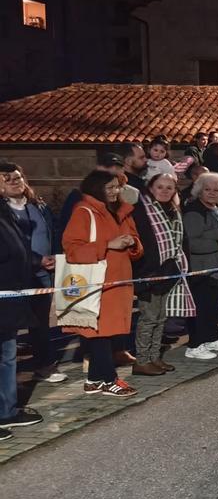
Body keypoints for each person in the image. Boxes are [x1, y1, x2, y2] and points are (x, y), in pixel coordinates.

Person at [61, 171, 143, 397]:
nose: (116, 191)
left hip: (118, 283)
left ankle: (94, 379)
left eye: (117, 187)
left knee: (106, 333)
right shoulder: (84, 211)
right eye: (110, 188)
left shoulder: (122, 211)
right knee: (100, 333)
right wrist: (108, 245)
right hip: (97, 284)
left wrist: (133, 243)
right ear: (96, 188)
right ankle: (109, 380)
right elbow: (72, 249)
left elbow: (136, 246)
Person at [1, 163, 62, 382]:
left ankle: (44, 366)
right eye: (7, 179)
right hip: (15, 277)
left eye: (17, 177)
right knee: (10, 326)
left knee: (40, 322)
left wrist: (55, 256)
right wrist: (36, 259)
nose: (14, 182)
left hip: (42, 274)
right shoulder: (3, 211)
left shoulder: (39, 205)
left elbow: (52, 232)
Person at [131, 172, 196, 374]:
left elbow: (182, 241)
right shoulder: (141, 210)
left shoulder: (173, 210)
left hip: (169, 270)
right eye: (160, 187)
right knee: (148, 318)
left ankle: (154, 358)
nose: (165, 191)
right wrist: (145, 272)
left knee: (160, 319)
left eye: (170, 187)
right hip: (149, 273)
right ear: (151, 188)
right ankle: (142, 361)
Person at [0, 177, 43, 439]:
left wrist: (36, 260)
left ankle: (6, 411)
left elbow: (17, 248)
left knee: (6, 357)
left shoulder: (4, 212)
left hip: (8, 299)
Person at [183, 173, 218, 356]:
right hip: (203, 269)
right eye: (207, 189)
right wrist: (215, 245)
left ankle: (211, 338)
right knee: (202, 307)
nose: (212, 193)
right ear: (199, 190)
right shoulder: (194, 211)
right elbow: (190, 243)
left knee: (213, 306)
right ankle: (195, 345)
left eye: (216, 189)